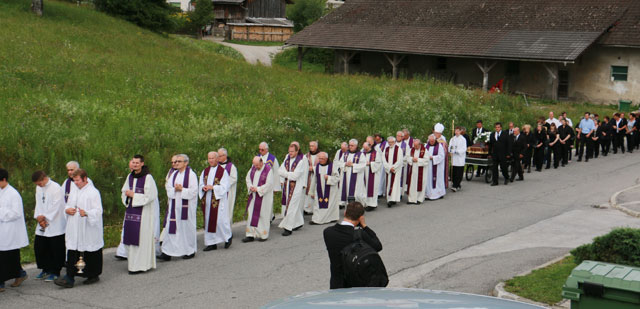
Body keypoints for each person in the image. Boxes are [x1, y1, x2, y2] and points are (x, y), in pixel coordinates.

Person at [55, 169, 103, 288]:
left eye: (77, 180)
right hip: (74, 226)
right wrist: (67, 210)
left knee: (89, 251)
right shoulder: (74, 190)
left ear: (85, 179)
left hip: (87, 227)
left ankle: (92, 275)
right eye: (74, 180)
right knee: (72, 249)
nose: (75, 183)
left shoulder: (93, 192)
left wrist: (86, 213)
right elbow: (68, 204)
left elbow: (98, 211)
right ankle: (69, 277)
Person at [323, 201, 382, 289]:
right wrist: (364, 226)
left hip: (336, 282)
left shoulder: (328, 232)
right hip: (355, 283)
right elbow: (378, 246)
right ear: (361, 218)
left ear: (345, 213)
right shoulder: (360, 234)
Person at [120, 155, 158, 274]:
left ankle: (142, 265)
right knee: (131, 238)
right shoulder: (130, 176)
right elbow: (124, 191)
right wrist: (127, 195)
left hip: (144, 213)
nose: (135, 164)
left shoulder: (148, 178)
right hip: (131, 212)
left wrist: (134, 196)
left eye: (137, 163)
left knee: (142, 238)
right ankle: (132, 264)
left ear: (142, 164)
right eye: (133, 162)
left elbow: (151, 196)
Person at [160, 154, 198, 261]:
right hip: (174, 206)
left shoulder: (191, 175)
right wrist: (174, 189)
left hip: (186, 207)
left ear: (186, 163)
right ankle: (167, 252)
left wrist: (182, 190)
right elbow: (168, 187)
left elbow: (194, 191)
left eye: (179, 161)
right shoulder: (174, 174)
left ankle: (189, 250)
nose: (176, 163)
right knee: (170, 228)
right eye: (175, 162)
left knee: (185, 229)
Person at [32, 170, 66, 282]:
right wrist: (38, 217)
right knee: (40, 246)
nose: (38, 186)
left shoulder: (56, 187)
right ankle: (45, 269)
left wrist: (45, 217)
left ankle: (55, 271)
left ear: (44, 179)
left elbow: (57, 205)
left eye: (39, 183)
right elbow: (38, 203)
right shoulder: (39, 188)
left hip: (55, 221)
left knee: (55, 247)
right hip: (42, 222)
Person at [0, 168, 29, 292]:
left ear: (4, 180)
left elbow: (16, 213)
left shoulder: (13, 194)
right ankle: (19, 273)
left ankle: (1, 281)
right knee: (6, 256)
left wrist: (1, 213)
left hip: (10, 230)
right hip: (2, 229)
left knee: (7, 256)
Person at [198, 151, 231, 251]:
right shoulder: (205, 171)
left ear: (217, 159)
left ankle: (227, 237)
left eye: (213, 158)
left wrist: (213, 187)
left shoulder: (223, 171)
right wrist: (203, 188)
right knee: (209, 221)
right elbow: (200, 184)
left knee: (220, 221)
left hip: (218, 200)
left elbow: (226, 186)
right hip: (208, 200)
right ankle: (211, 243)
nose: (211, 160)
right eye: (209, 158)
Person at [278, 143, 308, 236]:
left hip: (296, 187)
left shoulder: (301, 161)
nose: (290, 153)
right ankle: (298, 222)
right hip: (287, 186)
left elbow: (295, 176)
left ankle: (288, 228)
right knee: (290, 204)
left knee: (291, 206)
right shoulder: (287, 158)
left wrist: (285, 173)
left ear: (297, 151)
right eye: (289, 151)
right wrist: (288, 174)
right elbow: (279, 170)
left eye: (292, 152)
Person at [243, 156, 274, 242]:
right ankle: (250, 234)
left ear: (261, 162)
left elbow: (269, 184)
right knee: (251, 213)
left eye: (257, 165)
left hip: (263, 197)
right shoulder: (253, 168)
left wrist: (258, 189)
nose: (256, 167)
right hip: (253, 195)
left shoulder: (268, 170)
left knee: (262, 215)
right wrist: (251, 187)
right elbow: (248, 178)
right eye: (254, 165)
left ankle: (263, 235)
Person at [310, 152, 341, 224]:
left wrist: (329, 178)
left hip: (330, 190)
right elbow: (314, 179)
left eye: (322, 158)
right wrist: (311, 191)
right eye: (319, 158)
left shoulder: (332, 166)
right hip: (319, 189)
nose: (320, 160)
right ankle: (316, 219)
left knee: (330, 204)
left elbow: (337, 178)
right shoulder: (317, 167)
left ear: (326, 159)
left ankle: (332, 217)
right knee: (317, 204)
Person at [358, 140, 382, 211]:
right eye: (364, 148)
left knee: (372, 188)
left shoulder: (376, 153)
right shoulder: (362, 153)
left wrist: (370, 163)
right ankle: (365, 203)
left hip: (373, 174)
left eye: (366, 148)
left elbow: (379, 163)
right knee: (364, 188)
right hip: (363, 173)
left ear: (370, 146)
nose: (365, 150)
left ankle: (372, 204)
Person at [341, 139, 365, 205]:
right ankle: (348, 210)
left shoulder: (361, 154)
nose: (350, 147)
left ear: (356, 146)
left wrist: (353, 165)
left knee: (357, 194)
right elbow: (339, 163)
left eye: (352, 145)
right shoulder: (345, 154)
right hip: (346, 177)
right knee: (347, 192)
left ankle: (358, 210)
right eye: (349, 145)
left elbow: (363, 165)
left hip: (357, 178)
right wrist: (345, 164)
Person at [218, 148, 237, 223]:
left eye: (219, 156)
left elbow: (234, 178)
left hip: (228, 193)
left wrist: (223, 184)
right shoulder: (216, 166)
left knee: (227, 211)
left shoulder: (231, 166)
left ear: (225, 156)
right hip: (217, 192)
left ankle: (228, 232)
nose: (218, 158)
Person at [382, 136, 403, 207]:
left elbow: (400, 160)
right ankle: (389, 200)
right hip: (389, 170)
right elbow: (384, 160)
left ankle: (394, 199)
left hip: (395, 171)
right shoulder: (386, 149)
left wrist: (393, 168)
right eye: (389, 142)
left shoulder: (398, 149)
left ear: (394, 142)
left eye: (391, 142)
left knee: (395, 185)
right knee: (389, 185)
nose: (390, 143)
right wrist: (388, 168)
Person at [425, 135, 446, 200]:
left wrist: (433, 158)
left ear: (435, 140)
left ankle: (439, 194)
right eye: (430, 141)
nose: (431, 142)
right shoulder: (425, 146)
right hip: (428, 166)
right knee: (428, 180)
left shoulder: (439, 146)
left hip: (437, 167)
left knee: (438, 180)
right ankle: (428, 194)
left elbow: (442, 156)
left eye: (432, 141)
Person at [303, 141, 320, 216]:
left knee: (316, 191)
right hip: (308, 176)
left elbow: (324, 166)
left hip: (317, 176)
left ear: (316, 147)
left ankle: (315, 209)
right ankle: (307, 209)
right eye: (310, 146)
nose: (311, 147)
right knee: (308, 191)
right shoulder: (306, 156)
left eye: (312, 146)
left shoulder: (321, 155)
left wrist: (313, 168)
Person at [449, 127, 467, 191]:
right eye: (455, 131)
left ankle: (456, 185)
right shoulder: (452, 139)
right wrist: (451, 150)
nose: (456, 132)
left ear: (460, 131)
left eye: (457, 131)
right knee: (454, 172)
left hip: (460, 158)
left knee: (459, 172)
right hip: (454, 158)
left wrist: (457, 151)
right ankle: (455, 183)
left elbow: (464, 149)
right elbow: (450, 147)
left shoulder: (463, 139)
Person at [334, 142, 349, 206]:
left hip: (347, 172)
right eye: (342, 149)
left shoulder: (350, 153)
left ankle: (346, 201)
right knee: (340, 187)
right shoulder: (339, 152)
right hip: (340, 171)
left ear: (347, 147)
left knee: (346, 186)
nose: (342, 150)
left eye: (344, 149)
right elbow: (335, 161)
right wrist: (342, 165)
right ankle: (340, 202)